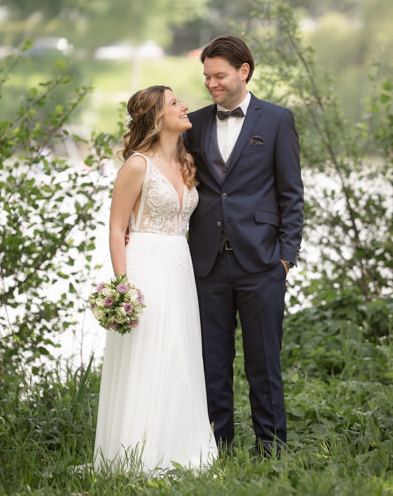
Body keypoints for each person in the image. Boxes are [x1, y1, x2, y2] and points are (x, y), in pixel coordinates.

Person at [182, 35, 304, 457]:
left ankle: (271, 450)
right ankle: (218, 448)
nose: (211, 84)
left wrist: (286, 257)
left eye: (219, 76)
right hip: (207, 264)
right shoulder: (193, 124)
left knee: (264, 363)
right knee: (212, 362)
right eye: (206, 77)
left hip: (262, 262)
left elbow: (291, 194)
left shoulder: (276, 120)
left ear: (243, 71)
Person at [94, 85, 217, 472]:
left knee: (179, 353)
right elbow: (116, 229)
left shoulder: (187, 162)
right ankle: (138, 452)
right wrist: (122, 287)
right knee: (148, 354)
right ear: (156, 117)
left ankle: (181, 448)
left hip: (180, 268)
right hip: (145, 266)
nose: (185, 106)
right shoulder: (136, 165)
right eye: (174, 103)